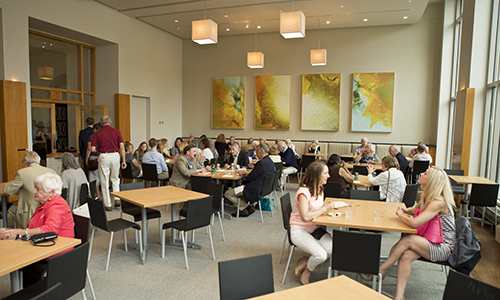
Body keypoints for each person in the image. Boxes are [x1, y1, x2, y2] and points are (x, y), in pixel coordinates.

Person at [361, 167, 456, 300]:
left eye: (425, 173)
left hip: (443, 247)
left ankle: (381, 270)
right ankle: (400, 296)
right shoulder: (427, 197)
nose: (421, 173)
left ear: (431, 181)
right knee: (406, 255)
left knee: (408, 239)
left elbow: (415, 223)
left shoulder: (438, 203)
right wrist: (405, 211)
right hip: (430, 241)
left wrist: (401, 215)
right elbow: (414, 210)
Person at [0, 172, 75, 288]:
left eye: (38, 189)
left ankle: (29, 294)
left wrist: (20, 232)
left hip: (55, 255)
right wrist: (16, 234)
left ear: (51, 192)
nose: (34, 191)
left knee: (17, 260)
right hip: (44, 247)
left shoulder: (57, 205)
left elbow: (51, 230)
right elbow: (32, 228)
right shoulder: (44, 204)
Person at [290, 160, 336, 285]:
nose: (328, 176)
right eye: (325, 173)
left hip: (314, 228)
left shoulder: (320, 188)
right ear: (316, 175)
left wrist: (327, 209)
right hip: (299, 229)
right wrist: (324, 209)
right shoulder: (303, 192)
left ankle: (305, 261)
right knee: (321, 255)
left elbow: (317, 209)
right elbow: (305, 217)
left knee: (332, 249)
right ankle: (306, 273)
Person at [3, 151, 57, 229]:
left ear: (25, 161)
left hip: (30, 210)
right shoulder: (52, 171)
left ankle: (21, 230)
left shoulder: (22, 173)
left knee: (12, 209)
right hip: (49, 208)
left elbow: (7, 190)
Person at [224, 144, 275, 217]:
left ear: (262, 151)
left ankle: (245, 207)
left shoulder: (261, 163)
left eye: (257, 151)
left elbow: (249, 178)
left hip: (253, 188)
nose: (256, 153)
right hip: (264, 188)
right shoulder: (270, 162)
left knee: (228, 193)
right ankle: (247, 205)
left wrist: (246, 175)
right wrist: (247, 173)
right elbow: (257, 173)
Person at [90, 116, 126, 211]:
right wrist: (124, 160)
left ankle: (108, 204)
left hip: (104, 156)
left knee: (104, 181)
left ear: (101, 123)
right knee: (115, 178)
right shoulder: (117, 131)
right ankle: (117, 198)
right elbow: (122, 147)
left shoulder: (97, 133)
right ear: (110, 122)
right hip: (115, 155)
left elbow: (92, 148)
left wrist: (99, 149)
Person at [86, 123, 102, 196]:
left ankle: (95, 194)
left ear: (94, 129)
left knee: (93, 176)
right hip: (101, 157)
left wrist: (86, 159)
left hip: (93, 158)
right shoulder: (103, 136)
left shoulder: (92, 136)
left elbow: (89, 149)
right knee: (100, 176)